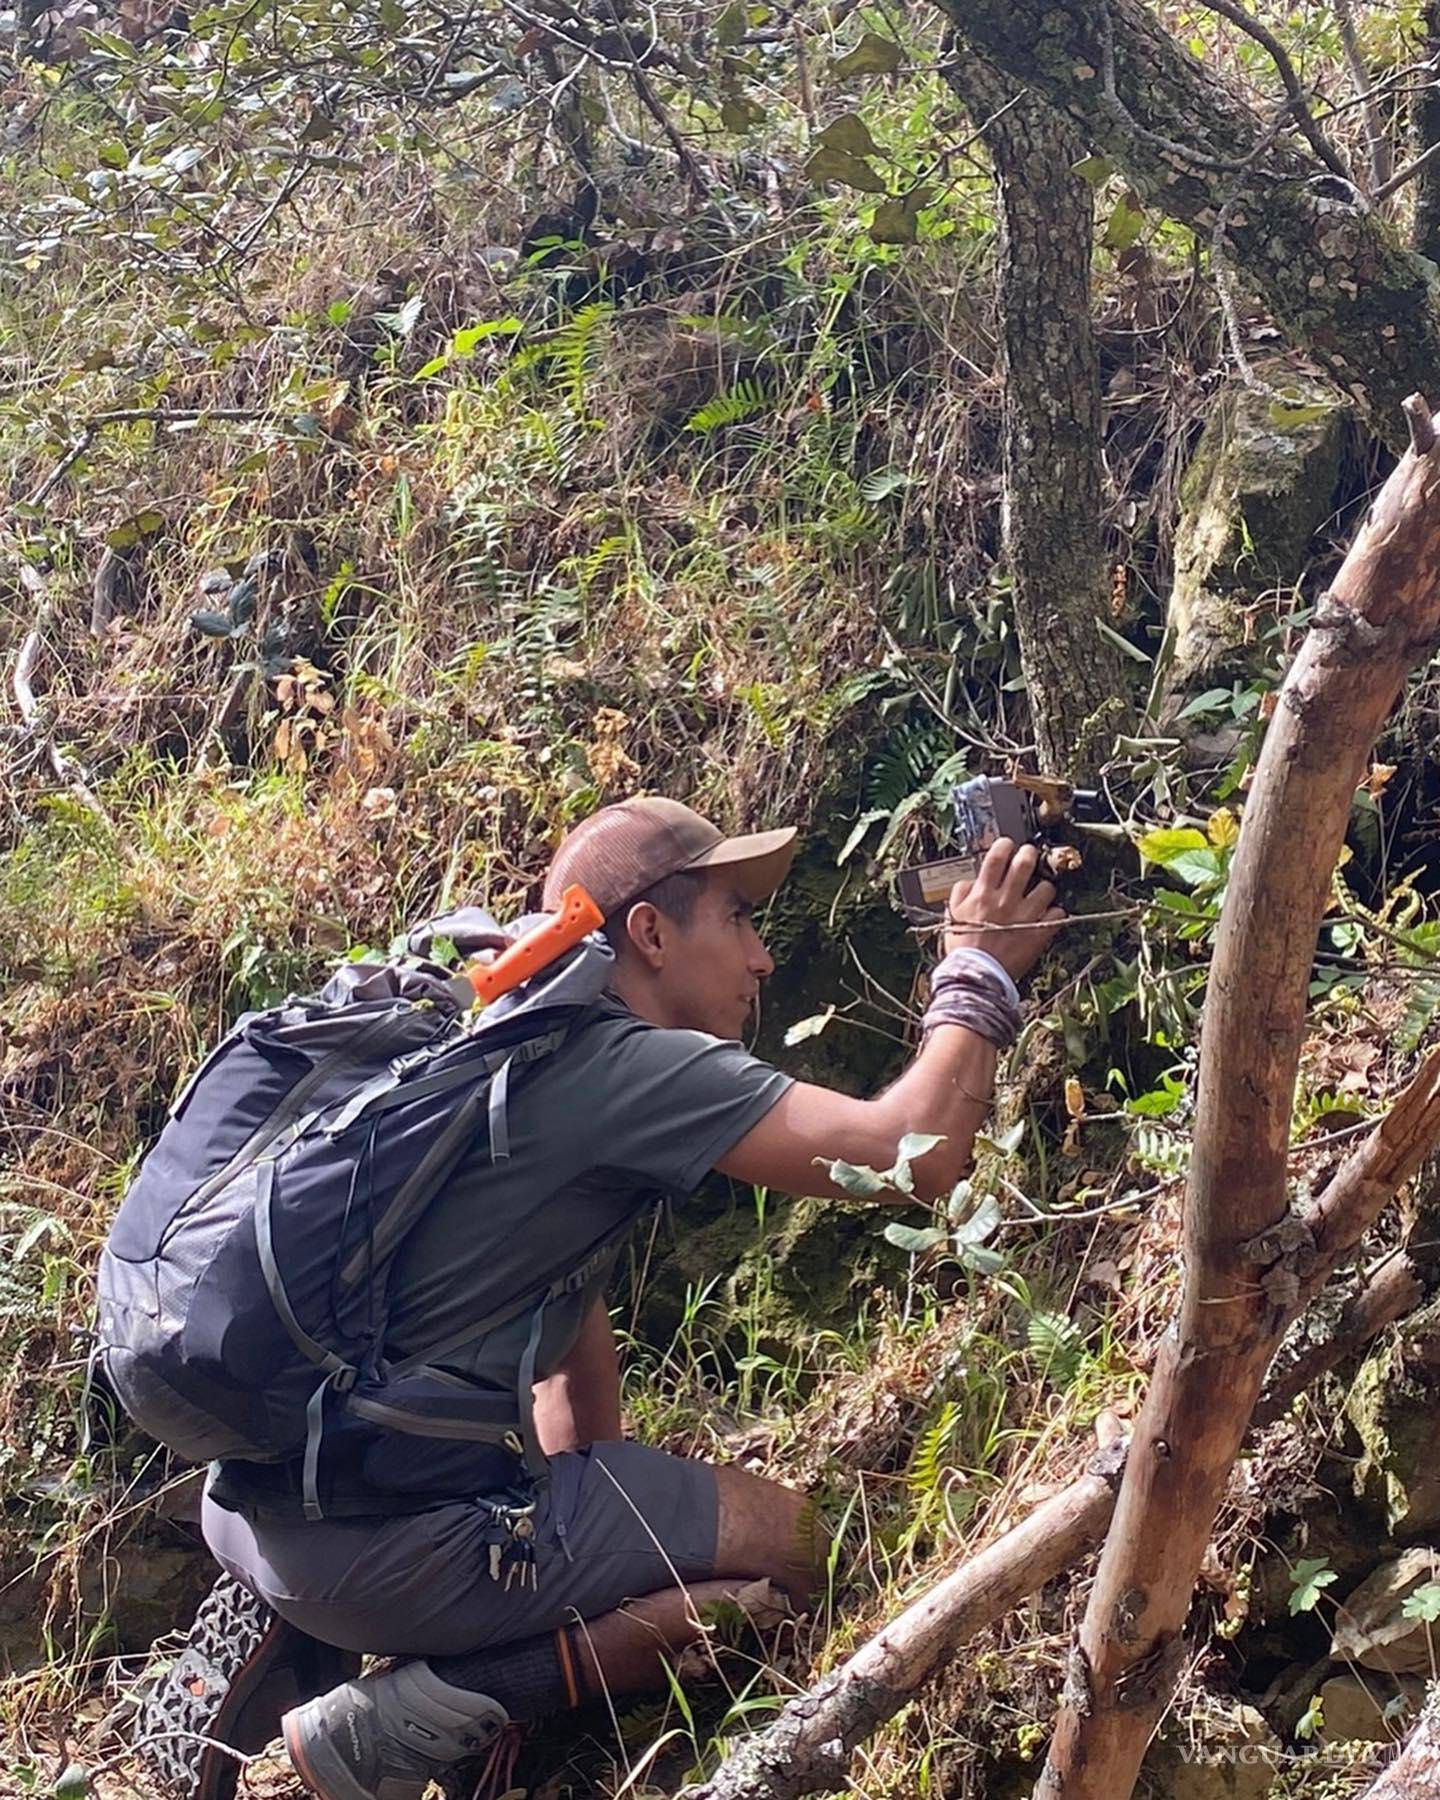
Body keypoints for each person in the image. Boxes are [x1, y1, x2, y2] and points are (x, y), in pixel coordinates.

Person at [196, 796, 1062, 1800]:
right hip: (382, 1544)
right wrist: (980, 968)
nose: (762, 959)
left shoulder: (498, 1036)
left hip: (258, 1502)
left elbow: (572, 1347)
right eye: (737, 919)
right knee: (806, 1554)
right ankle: (426, 1709)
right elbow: (908, 1156)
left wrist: (584, 1563)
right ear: (649, 933)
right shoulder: (618, 1061)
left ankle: (315, 1633)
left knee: (640, 1552)